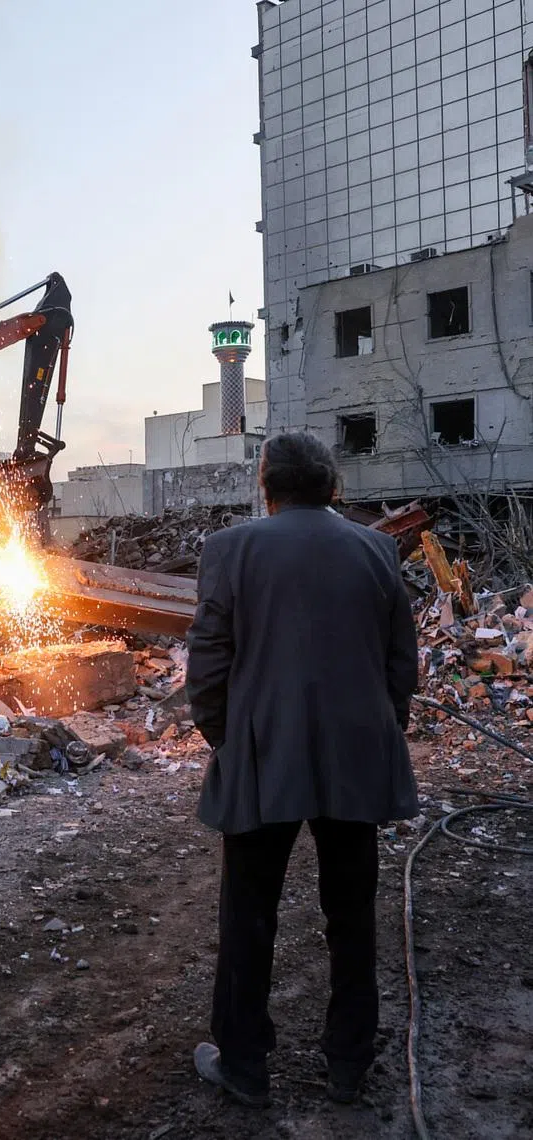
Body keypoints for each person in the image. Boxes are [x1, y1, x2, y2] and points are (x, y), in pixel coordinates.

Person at [185, 431, 419, 1108]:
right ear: (331, 483)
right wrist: (375, 733)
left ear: (268, 484)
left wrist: (232, 741)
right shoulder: (377, 548)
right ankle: (348, 1066)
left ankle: (245, 1066)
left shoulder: (231, 549)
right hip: (356, 756)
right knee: (352, 917)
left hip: (264, 755)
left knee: (249, 915)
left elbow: (207, 665)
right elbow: (401, 661)